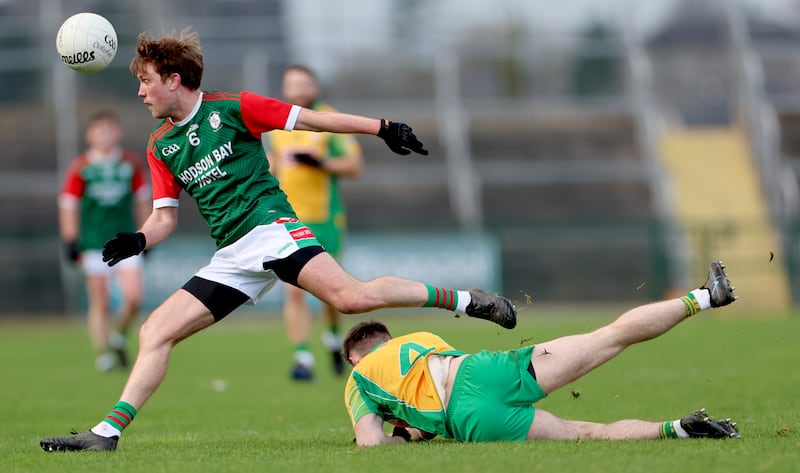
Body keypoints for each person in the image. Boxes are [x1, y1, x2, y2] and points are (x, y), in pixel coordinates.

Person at [39, 28, 516, 453]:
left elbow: (310, 119)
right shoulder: (160, 145)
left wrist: (382, 127)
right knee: (154, 332)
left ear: (173, 79)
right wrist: (140, 239)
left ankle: (467, 300)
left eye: (145, 80)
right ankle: (108, 434)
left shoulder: (234, 108)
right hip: (230, 254)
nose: (141, 92)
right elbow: (163, 219)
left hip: (271, 230)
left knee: (353, 298)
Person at [343, 261, 741, 445]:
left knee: (583, 433)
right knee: (610, 336)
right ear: (386, 336)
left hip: (469, 417)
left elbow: (371, 444)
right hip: (483, 371)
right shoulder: (419, 339)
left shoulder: (359, 380)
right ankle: (703, 297)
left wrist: (407, 439)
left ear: (355, 359)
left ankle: (678, 429)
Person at [265, 65, 364, 380]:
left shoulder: (328, 119)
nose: (297, 87)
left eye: (303, 81)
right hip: (288, 218)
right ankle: (302, 357)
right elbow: (271, 167)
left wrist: (321, 163)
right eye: (291, 82)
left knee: (331, 292)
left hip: (325, 218)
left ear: (315, 86)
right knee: (293, 289)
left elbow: (354, 165)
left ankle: (334, 339)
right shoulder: (276, 125)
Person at [58, 111, 151, 372]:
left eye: (109, 129)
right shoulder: (81, 167)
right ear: (89, 136)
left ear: (118, 133)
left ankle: (118, 335)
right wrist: (70, 240)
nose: (104, 135)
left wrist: (145, 235)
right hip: (93, 243)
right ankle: (103, 353)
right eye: (98, 130)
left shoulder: (131, 164)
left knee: (134, 296)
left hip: (125, 242)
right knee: (100, 300)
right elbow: (68, 205)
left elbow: (143, 200)